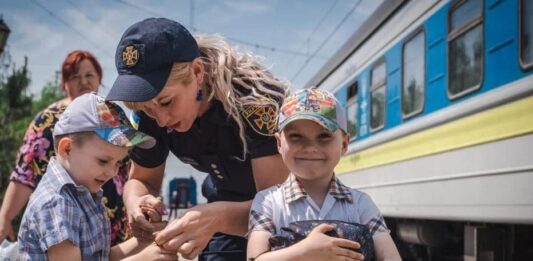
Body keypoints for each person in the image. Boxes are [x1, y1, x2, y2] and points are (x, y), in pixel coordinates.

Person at [105, 18, 290, 260]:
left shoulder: (255, 102)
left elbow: (277, 208)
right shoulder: (151, 108)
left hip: (283, 216)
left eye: (167, 102)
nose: (160, 119)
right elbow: (141, 179)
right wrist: (137, 203)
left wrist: (217, 218)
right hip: (221, 207)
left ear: (197, 72)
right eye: (148, 109)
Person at [17, 92, 178, 260]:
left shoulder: (81, 195)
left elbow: (99, 257)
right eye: (103, 161)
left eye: (118, 163)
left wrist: (144, 240)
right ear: (67, 149)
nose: (112, 172)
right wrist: (144, 258)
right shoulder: (56, 203)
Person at [246, 88, 401, 260]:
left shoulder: (361, 204)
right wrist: (305, 251)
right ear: (279, 143)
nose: (311, 148)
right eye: (296, 137)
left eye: (324, 136)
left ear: (343, 144)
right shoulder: (267, 202)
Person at [0, 50, 130, 246]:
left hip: (110, 227)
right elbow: (25, 173)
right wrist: (5, 217)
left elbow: (128, 174)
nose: (83, 81)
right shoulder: (47, 120)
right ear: (65, 83)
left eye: (89, 75)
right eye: (75, 76)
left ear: (99, 78)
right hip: (68, 228)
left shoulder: (112, 117)